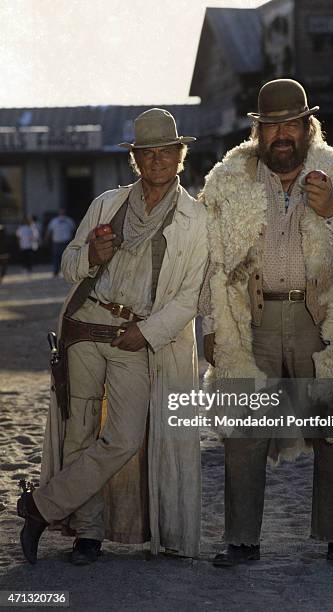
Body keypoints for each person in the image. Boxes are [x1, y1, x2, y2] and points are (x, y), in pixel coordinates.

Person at [199, 79, 333, 569]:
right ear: (258, 132)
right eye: (271, 126)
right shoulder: (229, 179)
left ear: (308, 126)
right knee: (243, 430)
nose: (281, 134)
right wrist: (211, 325)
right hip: (251, 320)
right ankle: (241, 540)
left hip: (320, 317)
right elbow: (210, 260)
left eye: (290, 124)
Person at [17, 108, 208, 565]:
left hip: (134, 336)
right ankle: (88, 534)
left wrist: (147, 332)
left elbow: (190, 296)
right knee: (79, 431)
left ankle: (40, 507)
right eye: (147, 153)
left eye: (166, 152)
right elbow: (69, 265)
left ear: (180, 157)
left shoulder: (194, 218)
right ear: (135, 159)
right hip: (85, 327)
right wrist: (92, 255)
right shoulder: (106, 203)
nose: (157, 160)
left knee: (123, 437)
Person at [46, 209, 76, 276]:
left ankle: (59, 271)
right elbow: (73, 231)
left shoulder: (56, 221)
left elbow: (49, 231)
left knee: (59, 257)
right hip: (61, 241)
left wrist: (47, 239)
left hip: (61, 241)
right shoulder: (68, 220)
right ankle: (61, 271)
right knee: (63, 257)